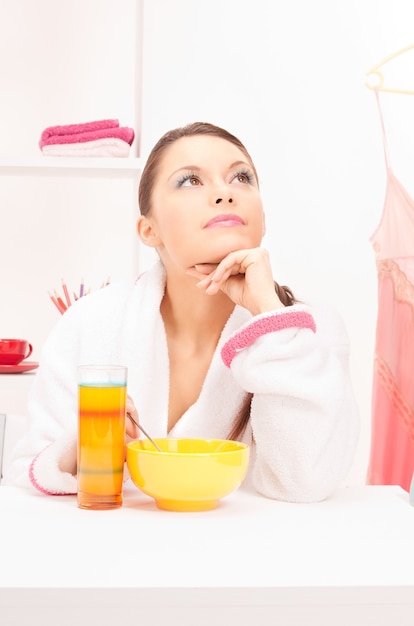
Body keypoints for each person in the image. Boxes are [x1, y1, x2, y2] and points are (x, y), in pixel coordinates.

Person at [3, 122, 360, 502]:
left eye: (241, 177)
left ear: (264, 219)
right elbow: (27, 481)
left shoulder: (309, 329)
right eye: (190, 181)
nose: (225, 193)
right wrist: (83, 446)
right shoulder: (90, 324)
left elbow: (306, 482)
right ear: (148, 230)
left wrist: (270, 317)